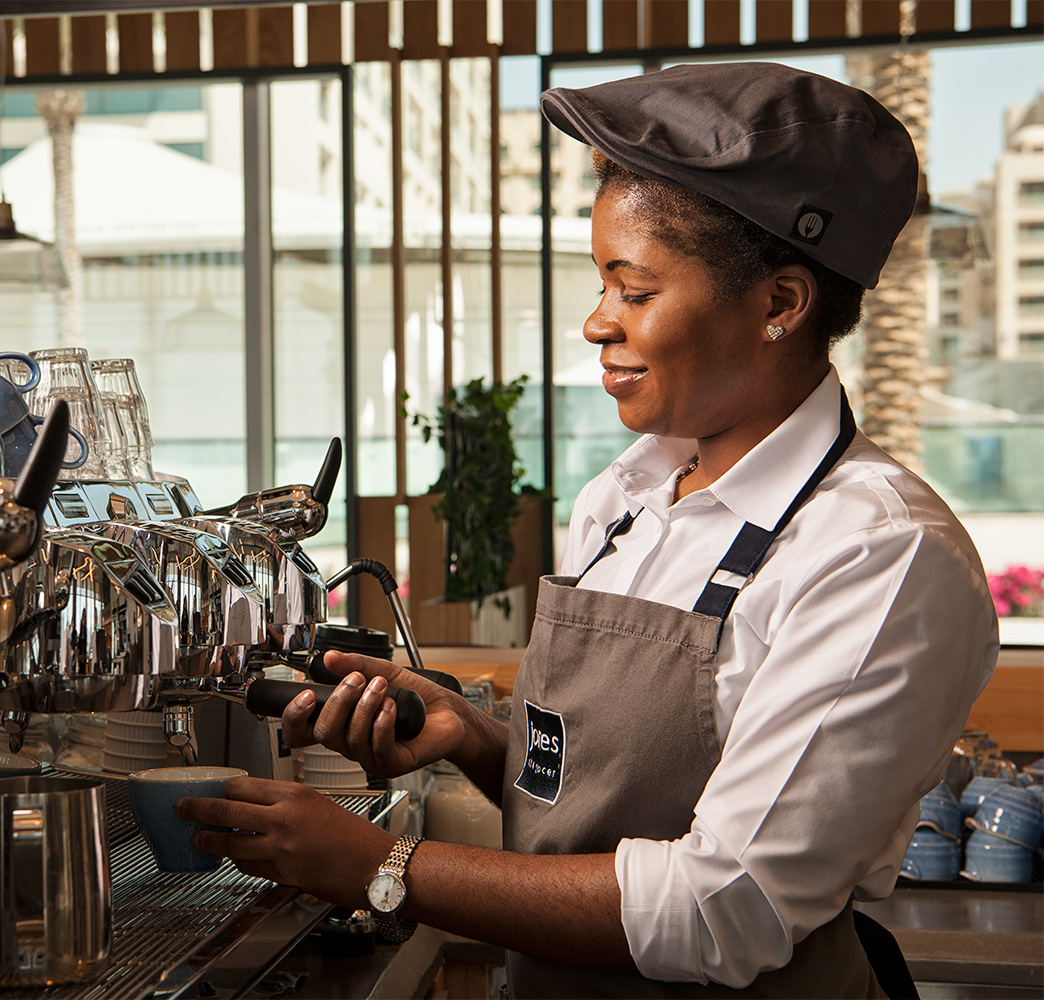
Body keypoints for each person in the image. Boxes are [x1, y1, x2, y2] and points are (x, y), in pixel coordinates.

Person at [178, 62, 998, 997]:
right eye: (599, 284)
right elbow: (599, 799)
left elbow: (722, 907)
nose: (595, 324)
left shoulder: (877, 555)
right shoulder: (622, 500)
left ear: (781, 303)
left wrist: (378, 865)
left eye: (635, 291)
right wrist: (474, 739)